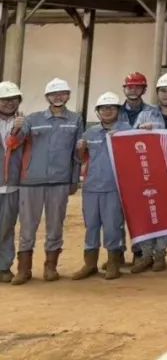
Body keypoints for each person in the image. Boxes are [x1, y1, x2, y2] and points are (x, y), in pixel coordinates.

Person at [7, 78, 82, 285]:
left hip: (60, 181)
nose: (58, 97)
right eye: (53, 94)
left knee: (55, 226)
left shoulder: (75, 120)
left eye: (62, 93)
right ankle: (24, 269)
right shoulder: (32, 119)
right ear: (47, 97)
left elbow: (77, 154)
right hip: (31, 181)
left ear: (68, 96)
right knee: (27, 227)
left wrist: (74, 180)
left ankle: (51, 267)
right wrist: (16, 129)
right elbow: (14, 144)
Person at [71, 92, 130, 281]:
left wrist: (122, 140)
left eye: (111, 108)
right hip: (91, 187)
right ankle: (90, 264)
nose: (107, 111)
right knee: (91, 226)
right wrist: (80, 149)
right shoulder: (90, 133)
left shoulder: (127, 130)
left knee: (113, 226)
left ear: (118, 110)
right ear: (98, 111)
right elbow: (80, 159)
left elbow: (135, 157)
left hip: (114, 187)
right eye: (103, 108)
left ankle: (113, 263)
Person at [129, 72, 167, 273]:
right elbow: (129, 142)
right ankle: (145, 254)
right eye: (162, 91)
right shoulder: (145, 115)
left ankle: (160, 254)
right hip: (147, 174)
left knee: (166, 214)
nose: (166, 94)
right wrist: (139, 131)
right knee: (145, 213)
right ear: (157, 93)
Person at [0, 81, 23, 283]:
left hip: (13, 185)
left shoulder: (25, 124)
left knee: (7, 227)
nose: (9, 103)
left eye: (13, 99)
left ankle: (4, 266)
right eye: (4, 99)